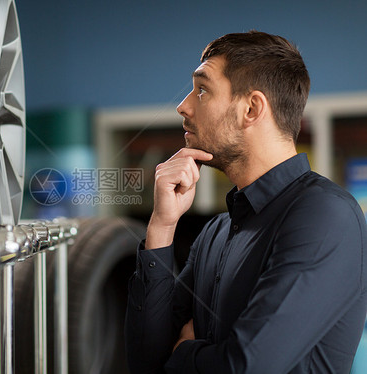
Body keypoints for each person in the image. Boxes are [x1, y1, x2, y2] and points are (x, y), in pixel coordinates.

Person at [125, 30, 367, 374]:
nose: (183, 105)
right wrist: (162, 227)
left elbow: (247, 366)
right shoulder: (216, 232)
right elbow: (145, 363)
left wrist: (181, 354)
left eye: (202, 89)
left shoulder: (326, 216)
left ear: (251, 109)